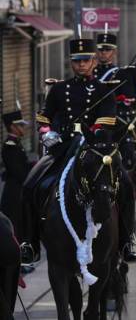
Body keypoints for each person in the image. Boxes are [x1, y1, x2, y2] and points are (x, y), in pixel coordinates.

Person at [20, 37, 118, 264]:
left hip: (94, 148)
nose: (81, 65)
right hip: (62, 147)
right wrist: (46, 133)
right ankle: (30, 243)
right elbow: (44, 115)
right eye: (77, 61)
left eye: (85, 60)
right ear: (71, 62)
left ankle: (127, 241)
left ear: (94, 61)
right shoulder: (59, 88)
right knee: (29, 185)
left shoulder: (104, 90)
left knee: (123, 183)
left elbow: (107, 121)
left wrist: (92, 133)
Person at [1, 109, 31, 233]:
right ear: (13, 127)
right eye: (20, 125)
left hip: (18, 190)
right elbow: (18, 171)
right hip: (14, 193)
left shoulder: (15, 143)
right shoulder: (10, 145)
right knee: (15, 226)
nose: (23, 128)